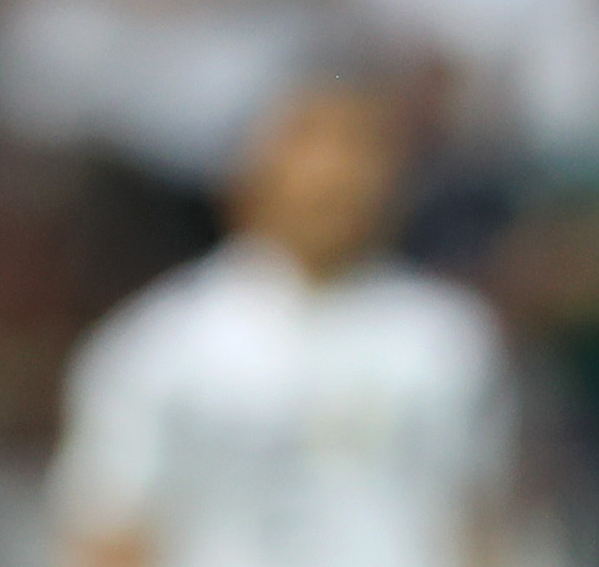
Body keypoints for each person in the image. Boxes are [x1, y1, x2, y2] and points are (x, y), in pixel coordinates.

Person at [52, 78, 517, 567]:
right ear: (249, 166)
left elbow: (478, 522)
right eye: (307, 143)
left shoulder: (449, 339)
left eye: (358, 148)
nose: (333, 174)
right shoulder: (159, 346)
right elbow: (109, 529)